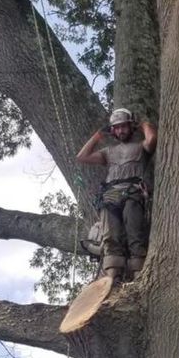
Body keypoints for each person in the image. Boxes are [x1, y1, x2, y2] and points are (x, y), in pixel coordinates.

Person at [76, 108, 157, 281]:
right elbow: (82, 156)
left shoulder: (140, 147)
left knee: (134, 233)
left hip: (133, 191)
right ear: (113, 130)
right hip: (111, 194)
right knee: (110, 236)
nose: (121, 131)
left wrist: (142, 124)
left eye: (124, 127)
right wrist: (99, 135)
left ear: (130, 126)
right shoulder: (108, 152)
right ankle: (111, 277)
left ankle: (138, 275)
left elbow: (151, 140)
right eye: (117, 128)